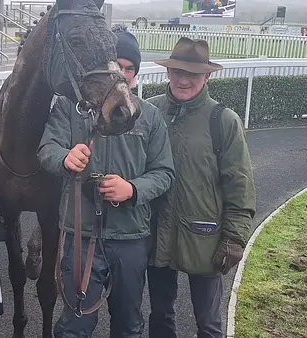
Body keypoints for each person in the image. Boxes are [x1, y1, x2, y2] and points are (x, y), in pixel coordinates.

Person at [37, 29, 175, 338]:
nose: (122, 74)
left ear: (135, 74)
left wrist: (133, 189)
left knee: (128, 323)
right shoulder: (70, 108)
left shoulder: (150, 116)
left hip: (130, 236)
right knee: (76, 324)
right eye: (116, 66)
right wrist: (65, 158)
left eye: (129, 68)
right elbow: (47, 149)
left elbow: (164, 172)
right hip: (81, 234)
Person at [146, 36, 256, 338]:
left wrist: (234, 237)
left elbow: (239, 183)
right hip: (157, 233)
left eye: (193, 74)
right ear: (168, 72)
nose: (184, 80)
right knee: (160, 314)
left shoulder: (224, 120)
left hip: (205, 236)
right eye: (177, 72)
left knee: (208, 323)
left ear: (206, 76)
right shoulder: (150, 112)